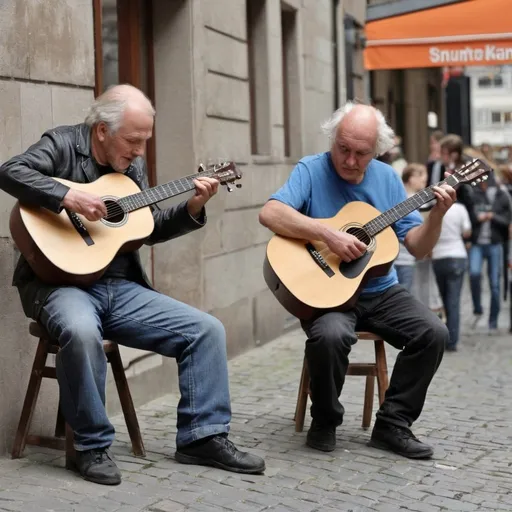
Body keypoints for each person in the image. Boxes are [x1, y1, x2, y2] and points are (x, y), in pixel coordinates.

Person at [0, 84, 265, 485]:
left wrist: (193, 206)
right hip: (57, 285)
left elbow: (146, 225)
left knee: (206, 330)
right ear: (102, 131)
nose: (140, 151)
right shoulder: (63, 144)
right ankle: (89, 447)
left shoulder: (131, 168)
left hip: (119, 287)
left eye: (145, 141)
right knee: (81, 330)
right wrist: (68, 196)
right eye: (133, 140)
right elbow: (10, 171)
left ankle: (202, 437)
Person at [259, 102, 455, 460]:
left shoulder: (386, 179)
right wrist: (327, 235)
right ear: (333, 139)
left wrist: (438, 216)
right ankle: (326, 419)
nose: (349, 160)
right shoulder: (311, 169)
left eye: (361, 154)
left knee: (434, 333)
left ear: (377, 151)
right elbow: (270, 212)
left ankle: (393, 425)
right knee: (330, 335)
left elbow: (419, 247)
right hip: (327, 294)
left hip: (381, 292)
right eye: (343, 149)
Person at [468, 173, 511, 334]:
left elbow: (507, 221)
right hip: (477, 243)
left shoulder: (502, 196)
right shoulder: (475, 194)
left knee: (495, 284)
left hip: (495, 244)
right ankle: (477, 307)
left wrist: (492, 217)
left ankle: (493, 321)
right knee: (474, 274)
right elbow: (470, 217)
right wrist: (478, 218)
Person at [431, 200, 472, 351]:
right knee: (453, 300)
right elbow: (467, 231)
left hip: (439, 256)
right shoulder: (460, 208)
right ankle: (452, 339)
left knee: (445, 298)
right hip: (457, 254)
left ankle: (446, 335)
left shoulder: (434, 210)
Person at [394, 163, 428, 291]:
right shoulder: (418, 202)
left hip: (392, 257)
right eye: (422, 179)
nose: (424, 183)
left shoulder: (394, 196)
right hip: (407, 257)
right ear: (412, 178)